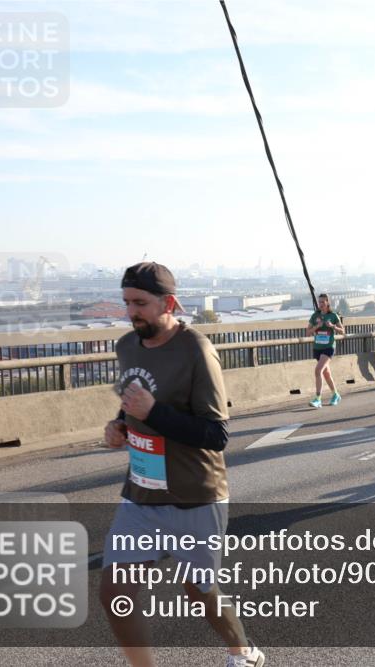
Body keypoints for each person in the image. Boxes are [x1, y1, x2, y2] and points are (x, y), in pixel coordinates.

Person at [99, 262, 265, 667]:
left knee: (199, 593)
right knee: (114, 593)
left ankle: (243, 653)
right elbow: (132, 405)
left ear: (169, 303)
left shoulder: (196, 350)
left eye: (140, 303)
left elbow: (217, 435)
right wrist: (119, 425)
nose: (131, 312)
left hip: (194, 495)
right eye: (126, 303)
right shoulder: (126, 346)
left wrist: (153, 413)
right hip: (141, 493)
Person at [306, 293, 344, 408]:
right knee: (326, 373)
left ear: (327, 302)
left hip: (328, 347)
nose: (321, 304)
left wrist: (332, 326)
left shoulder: (333, 315)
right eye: (319, 302)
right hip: (317, 348)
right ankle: (336, 395)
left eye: (323, 302)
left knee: (318, 371)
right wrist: (317, 326)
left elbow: (342, 331)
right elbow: (308, 332)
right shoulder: (314, 316)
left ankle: (318, 398)